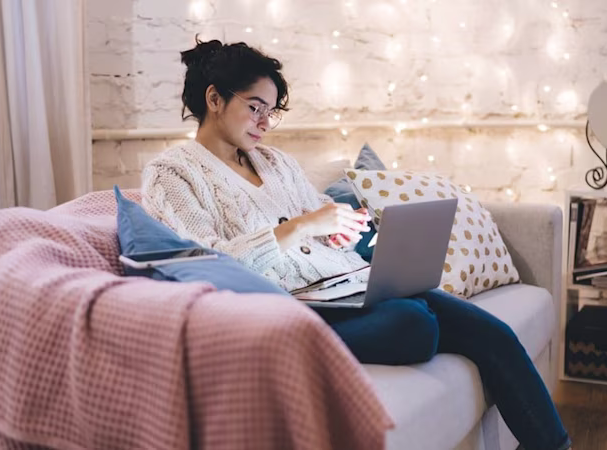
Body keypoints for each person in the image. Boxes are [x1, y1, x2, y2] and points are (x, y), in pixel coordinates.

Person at [140, 38, 571, 450]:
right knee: (414, 324)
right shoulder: (173, 174)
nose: (264, 123)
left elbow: (319, 215)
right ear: (215, 99)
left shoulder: (275, 162)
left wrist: (340, 226)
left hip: (346, 286)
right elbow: (208, 263)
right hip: (290, 307)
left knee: (489, 331)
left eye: (270, 112)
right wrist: (304, 227)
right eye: (255, 108)